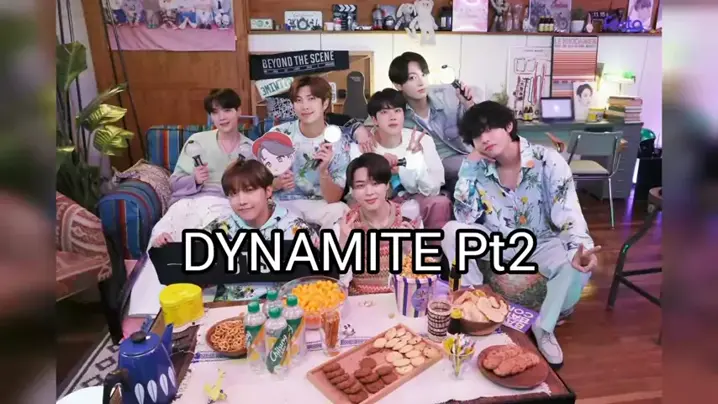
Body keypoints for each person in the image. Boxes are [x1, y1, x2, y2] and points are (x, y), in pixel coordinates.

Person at [441, 101, 601, 365]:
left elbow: (568, 210)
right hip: (497, 241)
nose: (484, 139)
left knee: (573, 261)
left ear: (508, 126)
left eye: (489, 129)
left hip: (541, 243)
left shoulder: (547, 160)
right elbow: (465, 217)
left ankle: (544, 328)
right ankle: (474, 300)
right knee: (451, 231)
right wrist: (468, 167)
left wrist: (577, 247)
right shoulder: (476, 168)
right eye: (477, 136)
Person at [130, 160, 351, 313]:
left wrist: (324, 250)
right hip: (227, 309)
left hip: (281, 308)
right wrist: (168, 246)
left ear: (268, 191)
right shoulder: (221, 227)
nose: (241, 201)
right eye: (233, 194)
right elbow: (191, 264)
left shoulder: (294, 227)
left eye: (249, 190)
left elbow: (323, 275)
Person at [355, 52, 476, 194]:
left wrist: (469, 105)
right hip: (433, 164)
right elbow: (369, 124)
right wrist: (360, 132)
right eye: (412, 78)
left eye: (423, 74)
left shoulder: (448, 94)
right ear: (398, 85)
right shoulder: (396, 109)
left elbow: (478, 127)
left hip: (466, 156)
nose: (421, 82)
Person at [349, 88, 451, 230]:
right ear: (374, 119)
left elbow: (433, 188)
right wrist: (379, 168)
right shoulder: (363, 146)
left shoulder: (422, 140)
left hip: (416, 197)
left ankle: (431, 244)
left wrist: (412, 164)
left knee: (439, 203)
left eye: (397, 111)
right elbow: (355, 191)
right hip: (378, 203)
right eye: (384, 112)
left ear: (404, 115)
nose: (392, 117)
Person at [267, 76, 351, 229]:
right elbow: (256, 182)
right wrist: (276, 184)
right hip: (282, 204)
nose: (305, 106)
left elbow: (334, 198)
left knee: (341, 211)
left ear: (325, 103)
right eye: (298, 100)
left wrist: (323, 171)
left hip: (319, 205)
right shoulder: (278, 134)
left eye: (311, 99)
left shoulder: (339, 142)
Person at [335, 153, 422, 296]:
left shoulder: (408, 219)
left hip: (399, 299)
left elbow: (422, 280)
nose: (369, 192)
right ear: (353, 191)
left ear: (387, 184)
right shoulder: (345, 225)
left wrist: (409, 249)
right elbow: (338, 286)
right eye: (360, 186)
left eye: (375, 183)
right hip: (360, 301)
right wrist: (343, 246)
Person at [169, 88, 254, 205]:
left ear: (238, 111)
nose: (221, 117)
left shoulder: (250, 148)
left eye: (227, 110)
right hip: (193, 202)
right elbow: (173, 184)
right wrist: (195, 180)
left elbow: (259, 185)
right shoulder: (196, 142)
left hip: (232, 205)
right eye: (215, 112)